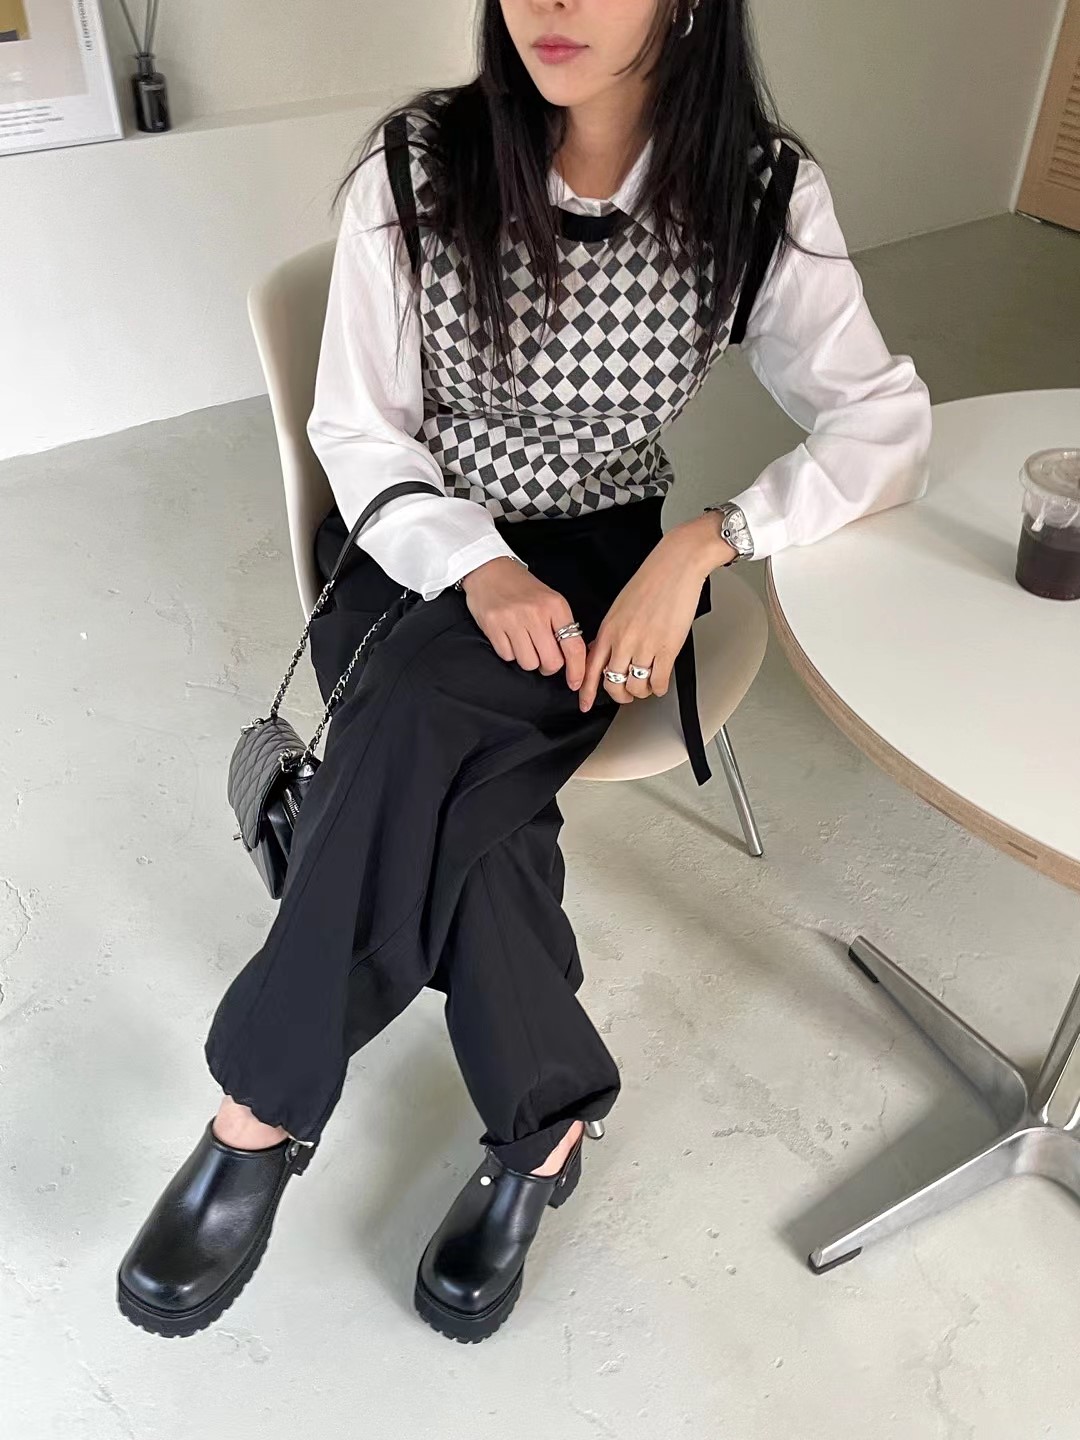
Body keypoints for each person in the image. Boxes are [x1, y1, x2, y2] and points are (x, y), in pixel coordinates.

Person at [116, 0, 931, 1343]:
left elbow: (883, 423)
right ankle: (535, 1128)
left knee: (423, 744)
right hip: (412, 543)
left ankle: (266, 1105)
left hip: (607, 558)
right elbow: (356, 432)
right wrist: (476, 564)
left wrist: (708, 541)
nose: (549, 3)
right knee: (448, 747)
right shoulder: (415, 170)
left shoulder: (758, 194)